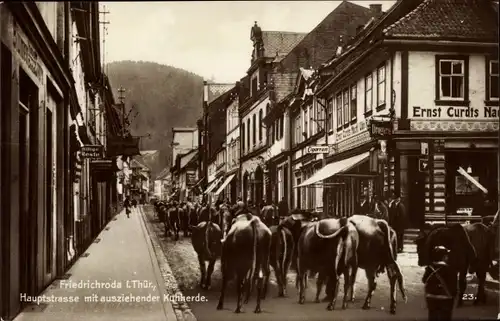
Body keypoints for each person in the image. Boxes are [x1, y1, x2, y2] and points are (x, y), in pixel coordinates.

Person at [422, 245, 457, 320]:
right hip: (445, 299)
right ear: (444, 257)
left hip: (431, 297)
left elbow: (424, 280)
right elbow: (454, 286)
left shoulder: (429, 268)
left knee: (432, 316)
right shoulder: (450, 269)